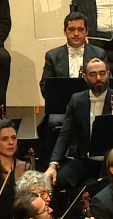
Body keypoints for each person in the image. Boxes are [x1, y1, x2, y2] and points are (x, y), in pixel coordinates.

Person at [45, 58, 113, 194]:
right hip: (84, 160)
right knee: (52, 182)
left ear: (108, 74)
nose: (98, 78)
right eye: (93, 74)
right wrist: (53, 165)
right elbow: (65, 135)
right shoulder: (76, 100)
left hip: (112, 162)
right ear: (85, 77)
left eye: (102, 73)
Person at [39, 11, 109, 161]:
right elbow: (45, 85)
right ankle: (55, 162)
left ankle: (99, 161)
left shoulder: (99, 53)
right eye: (71, 29)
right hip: (62, 107)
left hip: (94, 103)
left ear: (87, 32)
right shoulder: (52, 55)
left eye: (80, 30)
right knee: (55, 121)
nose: (76, 33)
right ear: (65, 31)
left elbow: (107, 82)